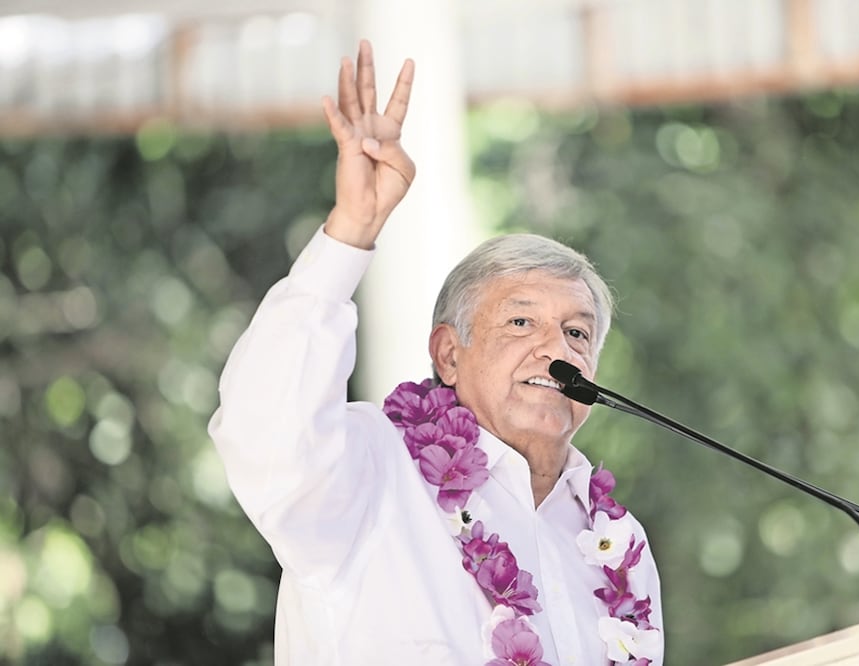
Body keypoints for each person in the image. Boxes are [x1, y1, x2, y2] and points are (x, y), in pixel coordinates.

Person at [209, 40, 664, 665]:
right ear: (449, 355)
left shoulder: (617, 545)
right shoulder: (372, 470)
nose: (555, 350)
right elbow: (264, 433)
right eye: (521, 322)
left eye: (577, 333)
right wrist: (351, 232)